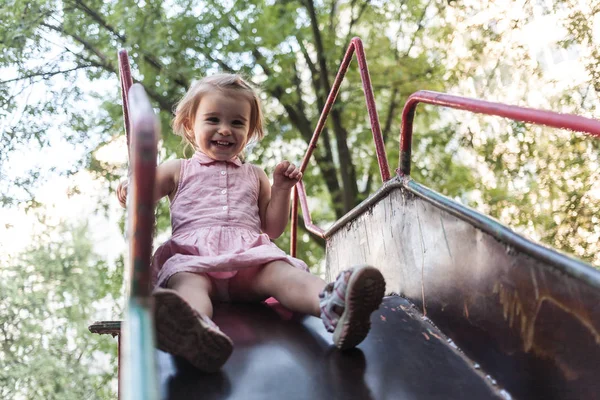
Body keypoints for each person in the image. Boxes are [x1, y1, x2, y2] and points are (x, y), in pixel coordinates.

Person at [117, 74, 386, 372]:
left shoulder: (255, 174)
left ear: (249, 131)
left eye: (237, 123)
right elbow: (142, 194)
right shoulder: (177, 170)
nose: (225, 130)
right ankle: (196, 332)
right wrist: (133, 186)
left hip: (249, 262)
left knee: (281, 273)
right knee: (186, 284)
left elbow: (271, 229)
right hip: (194, 260)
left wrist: (282, 188)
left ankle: (334, 305)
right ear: (191, 126)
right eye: (213, 119)